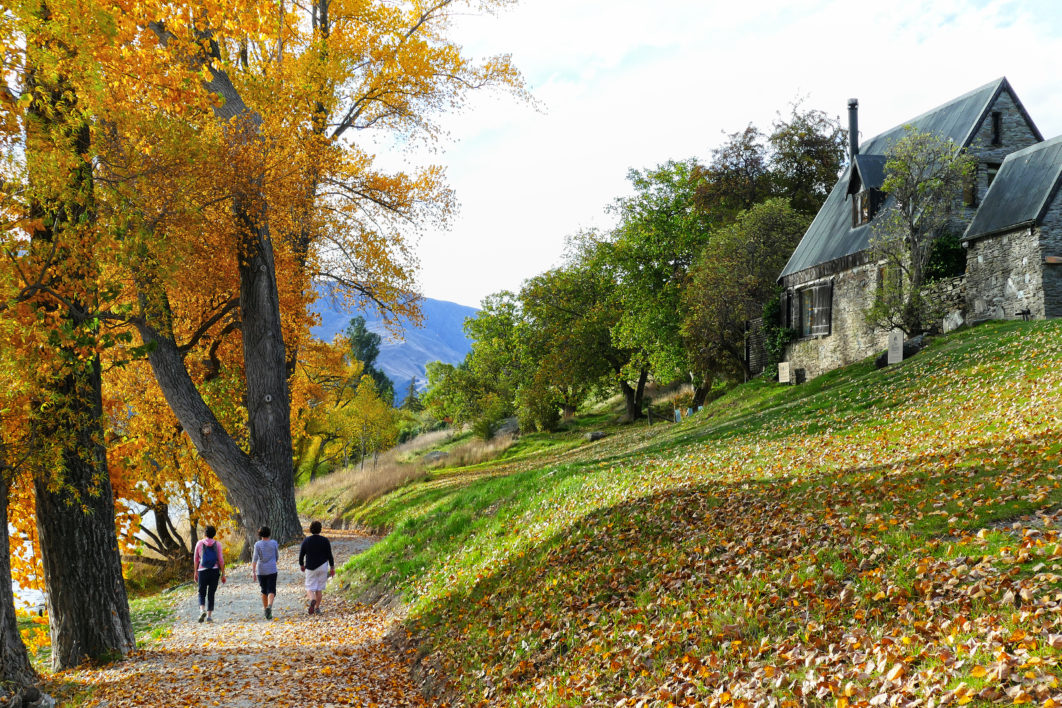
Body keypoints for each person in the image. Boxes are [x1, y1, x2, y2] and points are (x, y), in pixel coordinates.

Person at [298, 521, 334, 615]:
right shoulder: (325, 540)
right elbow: (330, 555)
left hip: (310, 567)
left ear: (310, 529)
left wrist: (302, 565)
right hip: (323, 566)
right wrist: (332, 567)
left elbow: (301, 555)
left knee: (309, 588)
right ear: (320, 529)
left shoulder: (306, 541)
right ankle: (317, 608)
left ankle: (312, 599)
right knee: (319, 589)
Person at [193, 526, 226, 623]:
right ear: (214, 534)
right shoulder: (217, 544)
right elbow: (221, 560)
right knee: (211, 593)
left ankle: (202, 610)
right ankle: (209, 616)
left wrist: (195, 571)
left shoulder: (199, 543)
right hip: (214, 571)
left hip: (202, 571)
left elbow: (196, 559)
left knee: (201, 592)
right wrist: (223, 574)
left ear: (205, 533)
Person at [251, 526, 280, 619]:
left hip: (261, 570)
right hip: (272, 569)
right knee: (271, 589)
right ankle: (269, 606)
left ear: (260, 535)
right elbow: (276, 556)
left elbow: (255, 558)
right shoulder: (274, 543)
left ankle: (265, 610)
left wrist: (253, 572)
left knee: (264, 590)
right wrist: (273, 561)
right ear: (269, 533)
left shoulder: (257, 544)